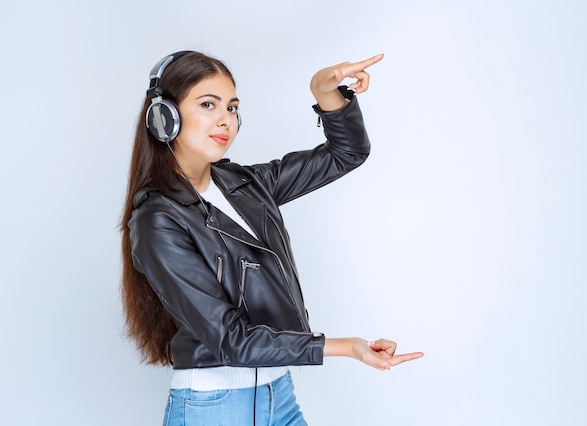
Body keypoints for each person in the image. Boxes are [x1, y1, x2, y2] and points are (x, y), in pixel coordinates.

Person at [120, 50, 423, 426]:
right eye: (208, 104)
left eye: (232, 107)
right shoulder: (156, 220)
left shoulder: (246, 185)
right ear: (165, 117)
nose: (224, 120)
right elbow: (230, 339)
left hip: (278, 395)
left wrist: (324, 92)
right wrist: (346, 347)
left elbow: (347, 153)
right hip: (214, 407)